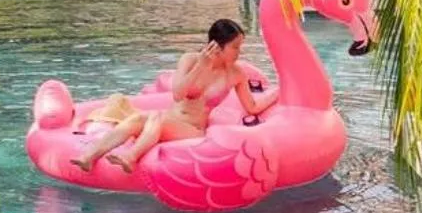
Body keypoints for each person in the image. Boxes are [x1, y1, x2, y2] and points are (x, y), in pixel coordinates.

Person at [70, 19, 276, 173]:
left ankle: (131, 157)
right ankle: (90, 156)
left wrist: (279, 91)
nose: (238, 53)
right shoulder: (190, 60)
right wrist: (201, 66)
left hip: (193, 130)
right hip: (170, 120)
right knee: (139, 118)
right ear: (216, 46)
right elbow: (178, 94)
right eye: (235, 47)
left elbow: (252, 108)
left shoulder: (236, 74)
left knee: (155, 117)